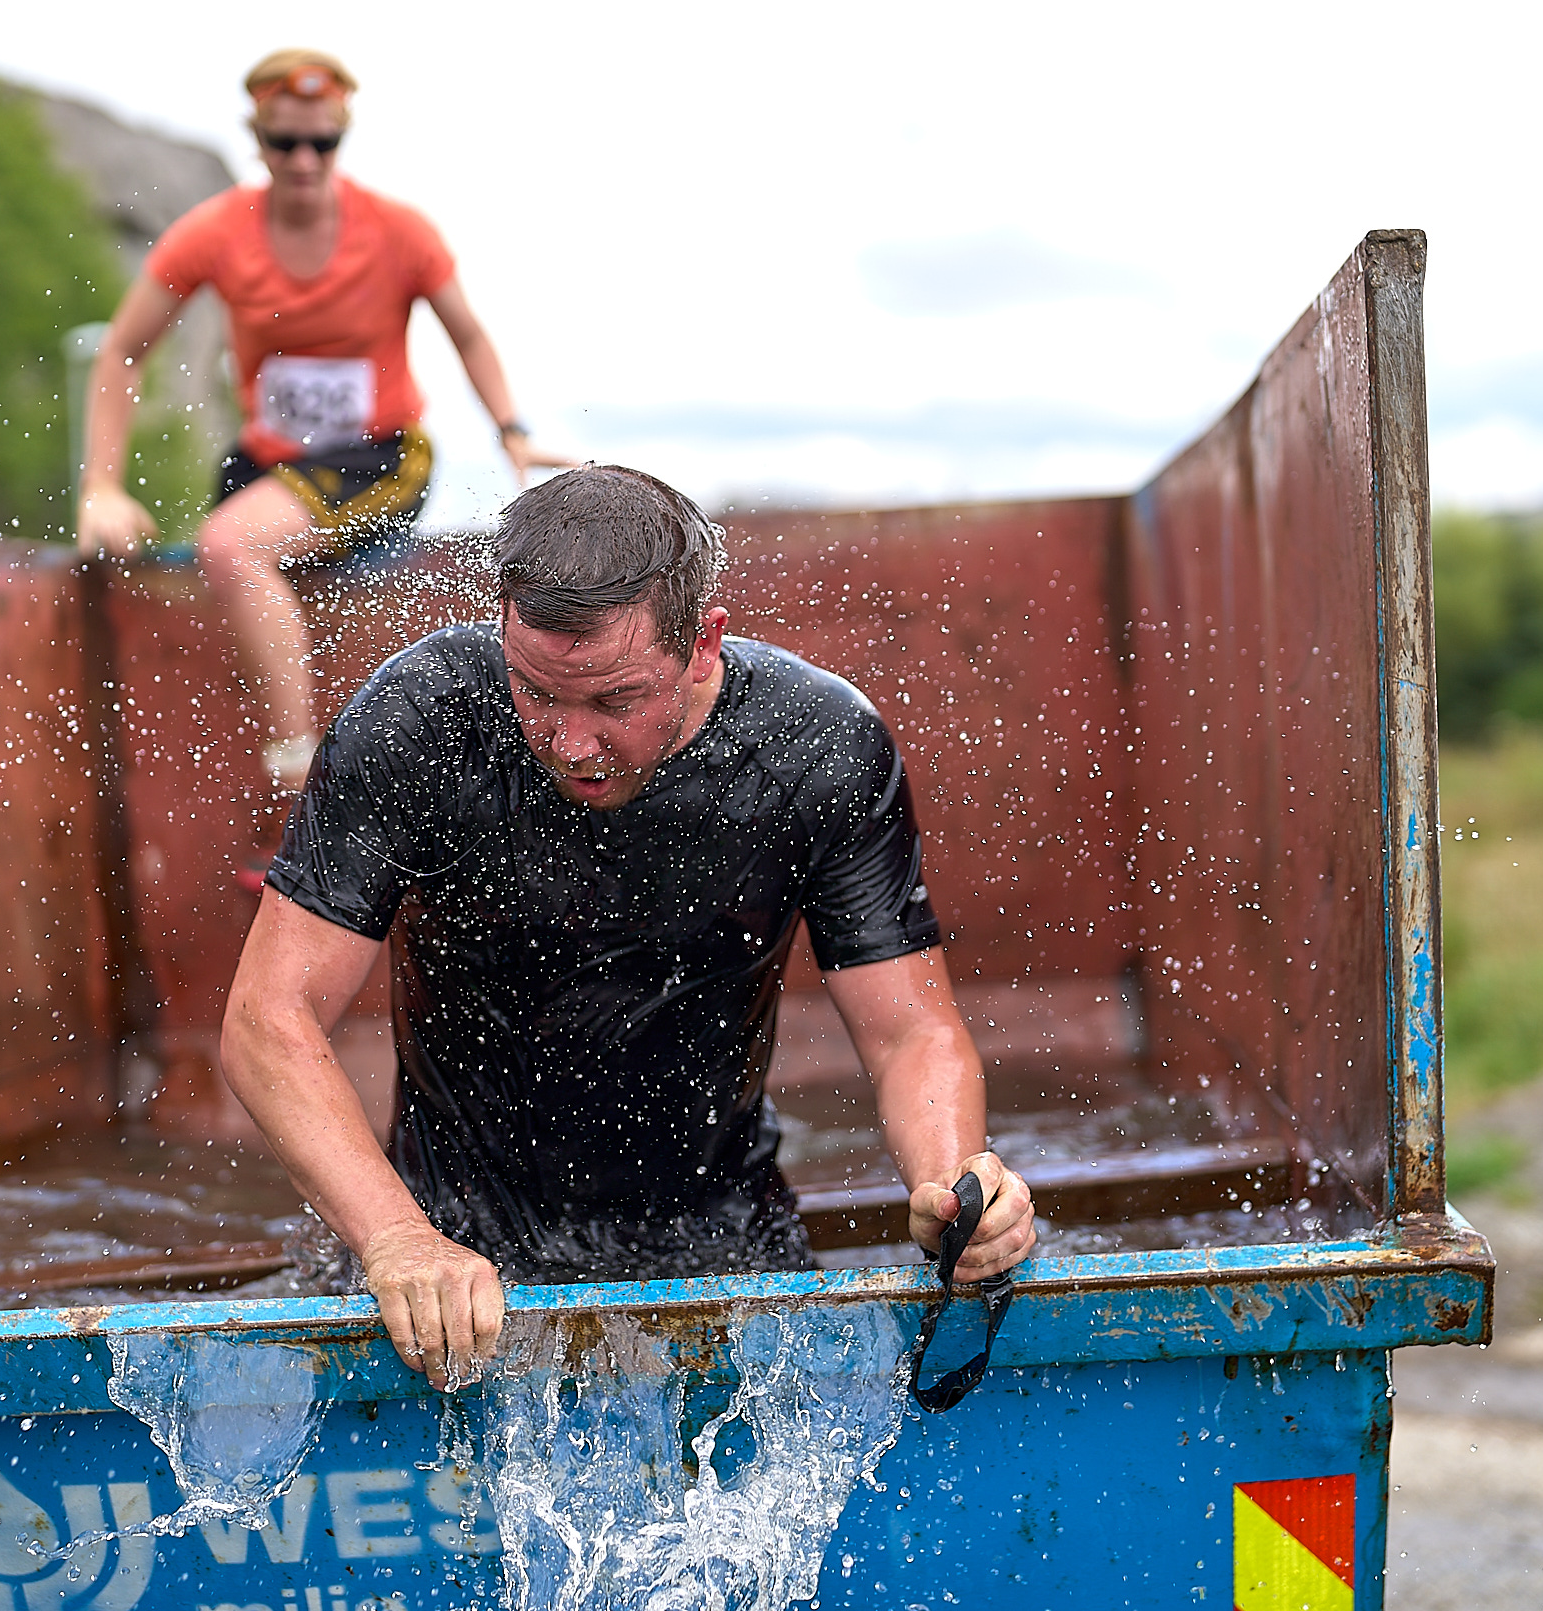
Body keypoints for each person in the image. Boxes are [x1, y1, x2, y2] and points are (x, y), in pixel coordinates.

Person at [219, 465, 1036, 1391]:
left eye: (615, 701)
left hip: (721, 1239)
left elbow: (910, 1032)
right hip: (448, 1250)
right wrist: (396, 1237)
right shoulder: (422, 720)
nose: (570, 742)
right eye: (535, 690)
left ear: (703, 645)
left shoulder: (814, 746)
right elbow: (268, 1019)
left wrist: (955, 1192)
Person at [75, 48, 568, 785]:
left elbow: (468, 334)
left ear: (342, 137)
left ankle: (300, 769)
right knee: (226, 556)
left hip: (380, 456)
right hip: (267, 464)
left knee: (230, 548)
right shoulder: (214, 233)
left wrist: (512, 432)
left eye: (322, 142)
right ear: (257, 139)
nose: (303, 160)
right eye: (284, 143)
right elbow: (121, 351)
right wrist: (101, 488)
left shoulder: (398, 232)